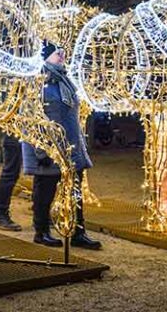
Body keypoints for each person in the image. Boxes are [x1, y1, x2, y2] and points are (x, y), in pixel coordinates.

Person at [22, 42, 101, 250]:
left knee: (74, 190)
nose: (62, 56)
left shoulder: (65, 80)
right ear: (45, 57)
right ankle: (41, 231)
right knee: (45, 190)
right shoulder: (38, 82)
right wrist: (42, 149)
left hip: (71, 147)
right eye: (58, 54)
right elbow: (32, 119)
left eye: (64, 53)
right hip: (50, 148)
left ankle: (77, 231)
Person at [0, 132, 22, 231]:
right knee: (10, 173)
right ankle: (0, 214)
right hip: (14, 132)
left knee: (41, 173)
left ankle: (41, 213)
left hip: (24, 132)